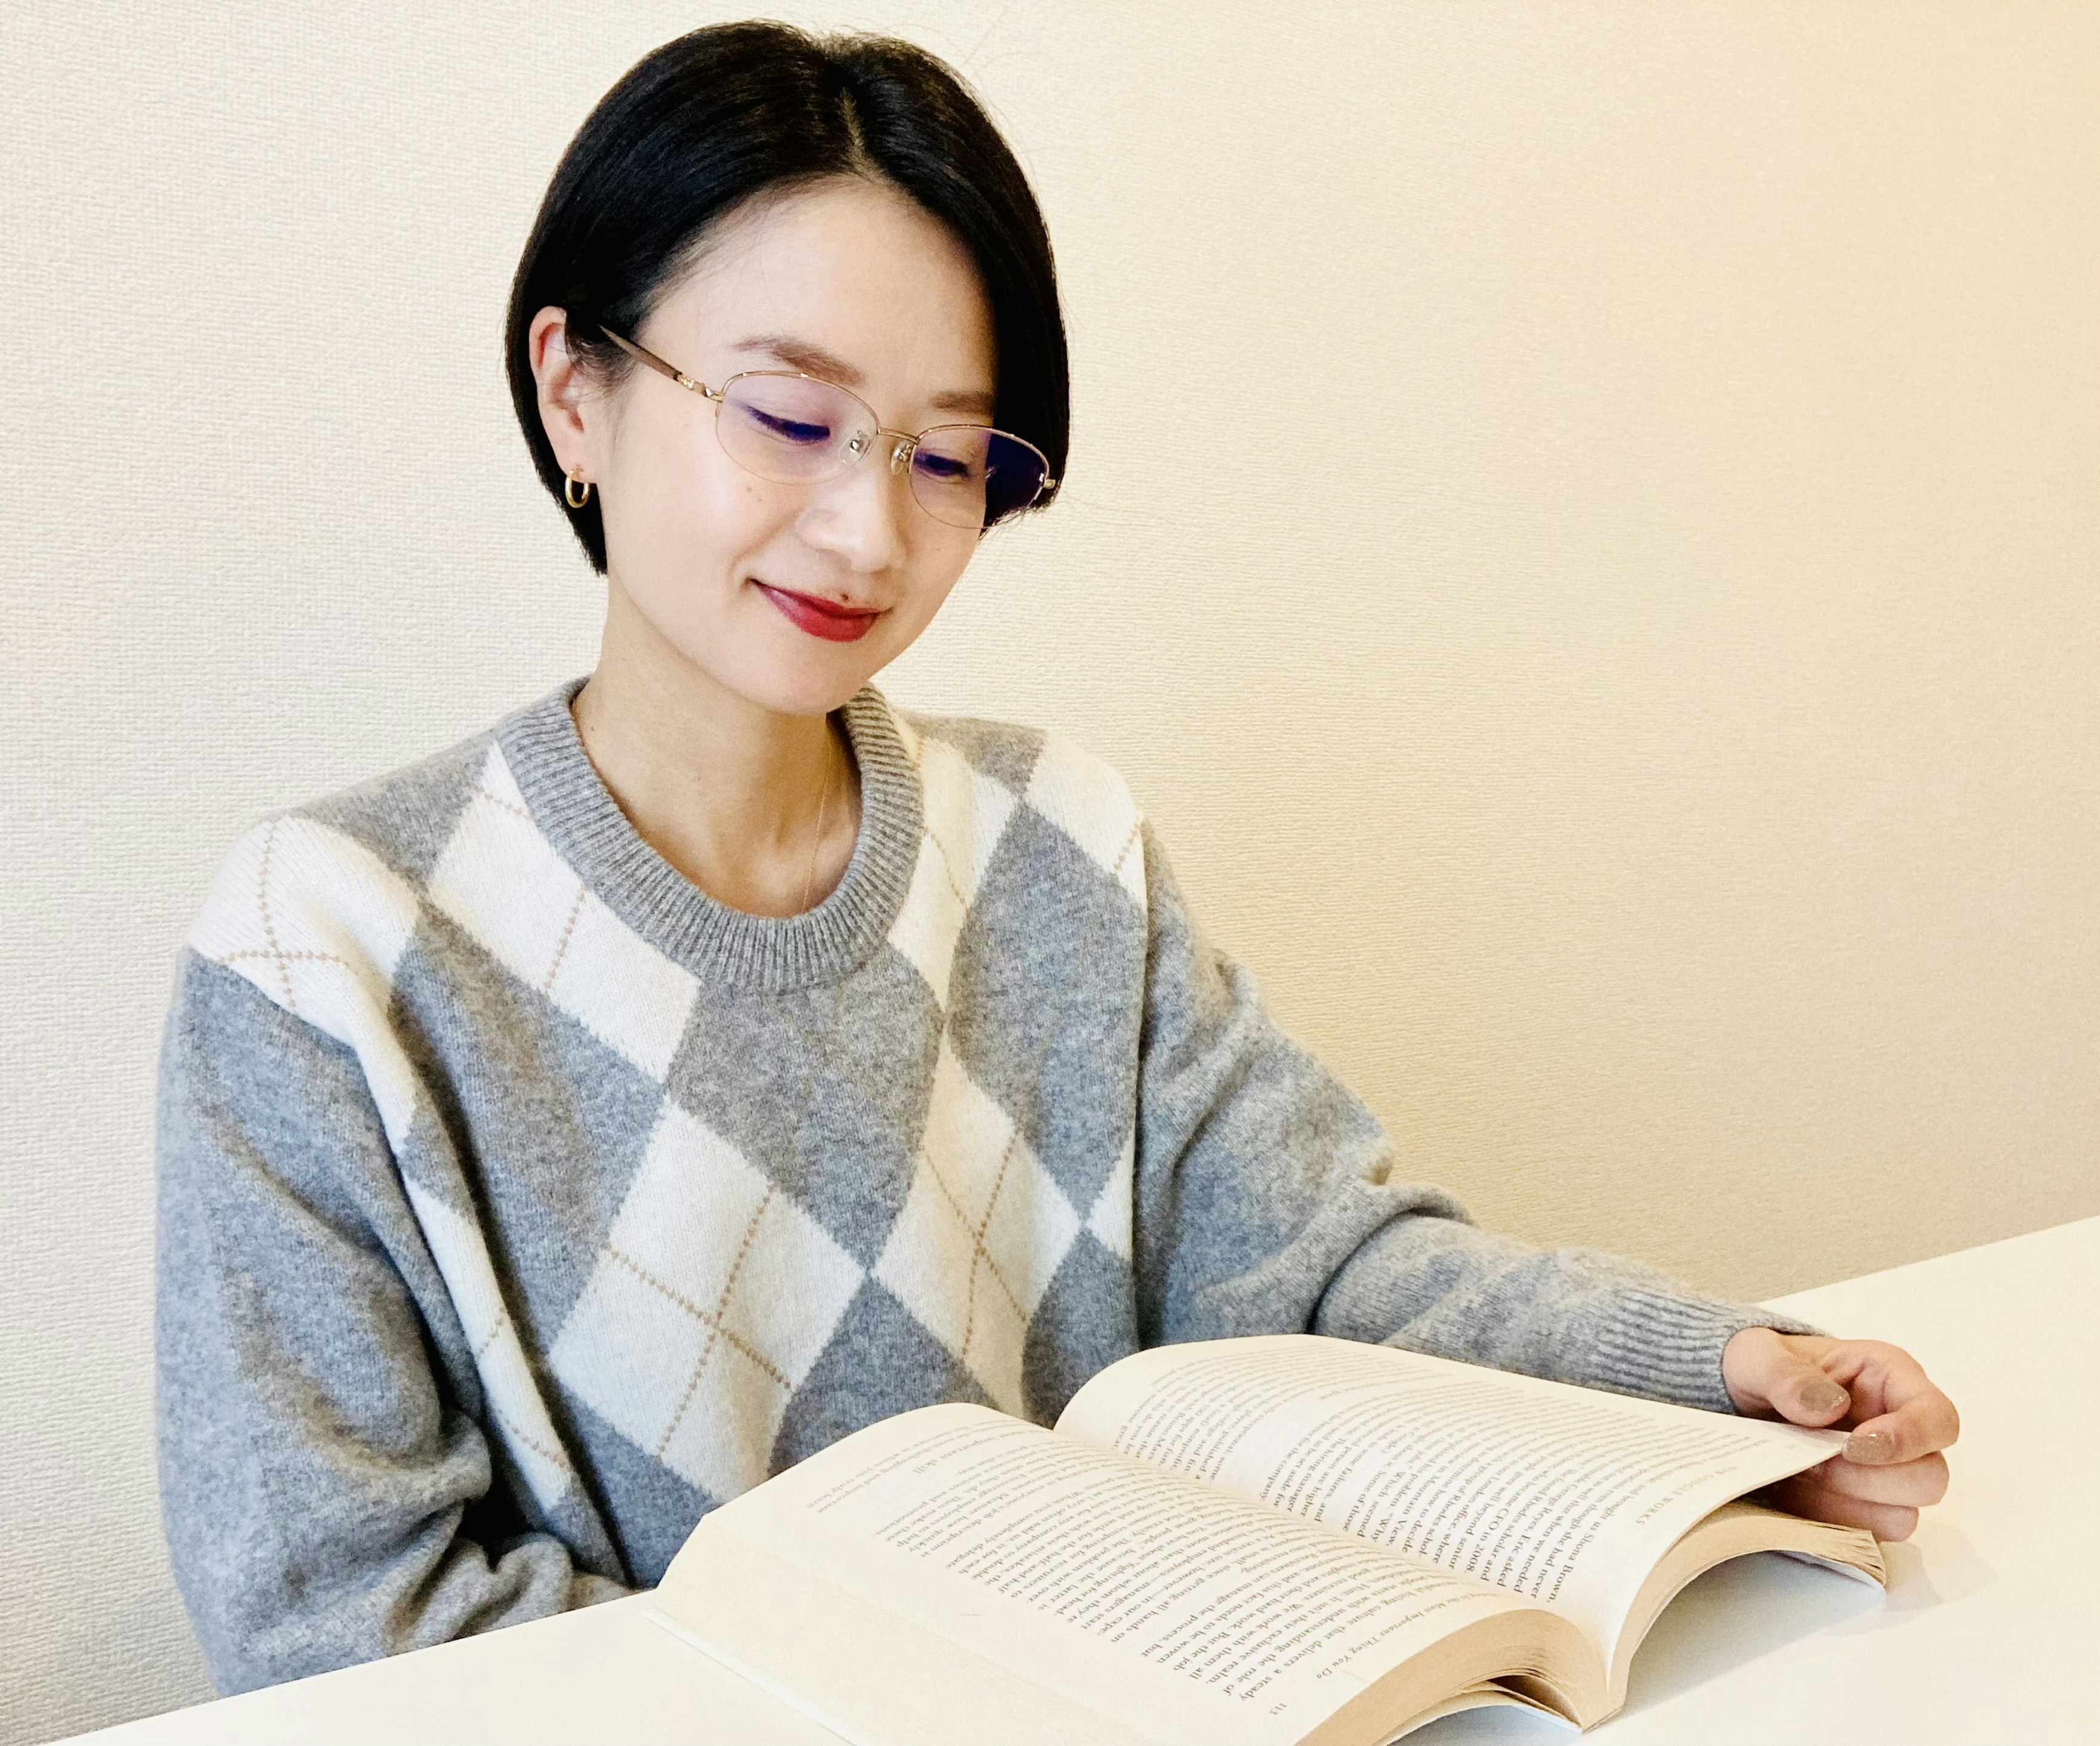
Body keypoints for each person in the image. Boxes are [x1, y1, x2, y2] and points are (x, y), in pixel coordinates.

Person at [153, 19, 1957, 1696]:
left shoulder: (1055, 849)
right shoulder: (327, 954)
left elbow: (1321, 1264)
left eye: (950, 461)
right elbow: (346, 1629)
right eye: (790, 417)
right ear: (575, 391)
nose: (868, 530)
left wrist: (1721, 1374)